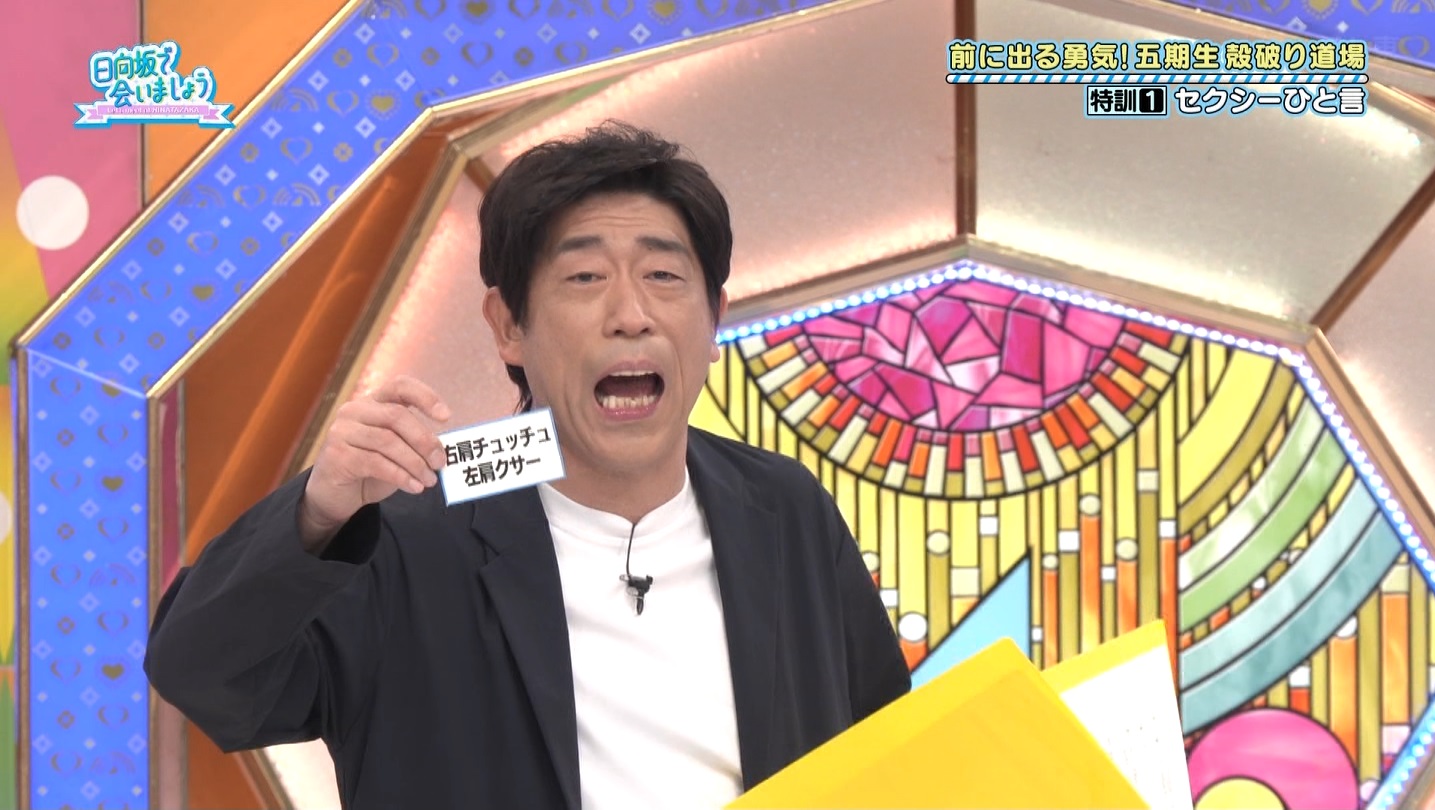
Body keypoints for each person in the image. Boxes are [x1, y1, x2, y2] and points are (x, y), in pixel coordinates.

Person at [145, 121, 911, 810]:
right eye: (585, 278)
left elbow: (886, 741)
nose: (631, 315)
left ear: (713, 320)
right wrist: (318, 512)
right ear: (509, 325)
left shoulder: (783, 506)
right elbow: (203, 675)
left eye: (664, 277)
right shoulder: (405, 534)